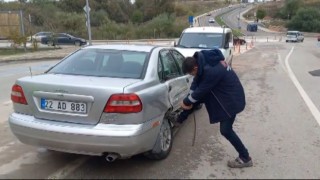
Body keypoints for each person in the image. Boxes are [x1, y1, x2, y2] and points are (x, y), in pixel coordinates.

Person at [180, 48, 253, 168]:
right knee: (225, 129)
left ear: (195, 68)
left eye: (191, 73)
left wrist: (186, 101)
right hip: (229, 94)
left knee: (225, 130)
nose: (192, 76)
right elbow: (196, 82)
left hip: (231, 99)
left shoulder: (210, 71)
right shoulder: (203, 63)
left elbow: (201, 91)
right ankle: (244, 156)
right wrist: (189, 97)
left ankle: (245, 158)